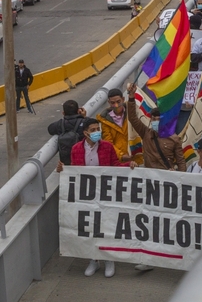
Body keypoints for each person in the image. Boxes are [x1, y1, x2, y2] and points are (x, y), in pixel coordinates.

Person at [55, 118, 132, 278]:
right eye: (93, 129)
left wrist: (129, 166)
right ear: (85, 133)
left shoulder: (107, 147)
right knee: (90, 227)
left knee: (106, 226)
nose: (97, 132)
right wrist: (62, 170)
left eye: (98, 128)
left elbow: (115, 166)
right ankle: (94, 260)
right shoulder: (76, 149)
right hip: (87, 196)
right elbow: (75, 171)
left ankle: (109, 260)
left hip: (105, 194)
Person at [126, 86, 185, 172]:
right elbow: (132, 118)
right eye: (154, 119)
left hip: (167, 177)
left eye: (159, 119)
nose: (156, 122)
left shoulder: (174, 138)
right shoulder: (146, 133)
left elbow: (181, 161)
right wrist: (131, 97)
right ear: (151, 119)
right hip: (150, 177)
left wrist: (181, 177)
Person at [96, 88, 137, 165]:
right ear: (109, 102)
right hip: (119, 160)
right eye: (113, 103)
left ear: (123, 99)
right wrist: (121, 156)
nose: (116, 105)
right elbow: (108, 142)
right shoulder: (105, 120)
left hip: (136, 155)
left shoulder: (131, 112)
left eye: (118, 102)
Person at [47, 100, 88, 165]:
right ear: (78, 111)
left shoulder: (60, 124)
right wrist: (84, 117)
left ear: (63, 113)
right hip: (84, 159)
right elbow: (92, 126)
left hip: (67, 161)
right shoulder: (85, 122)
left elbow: (50, 129)